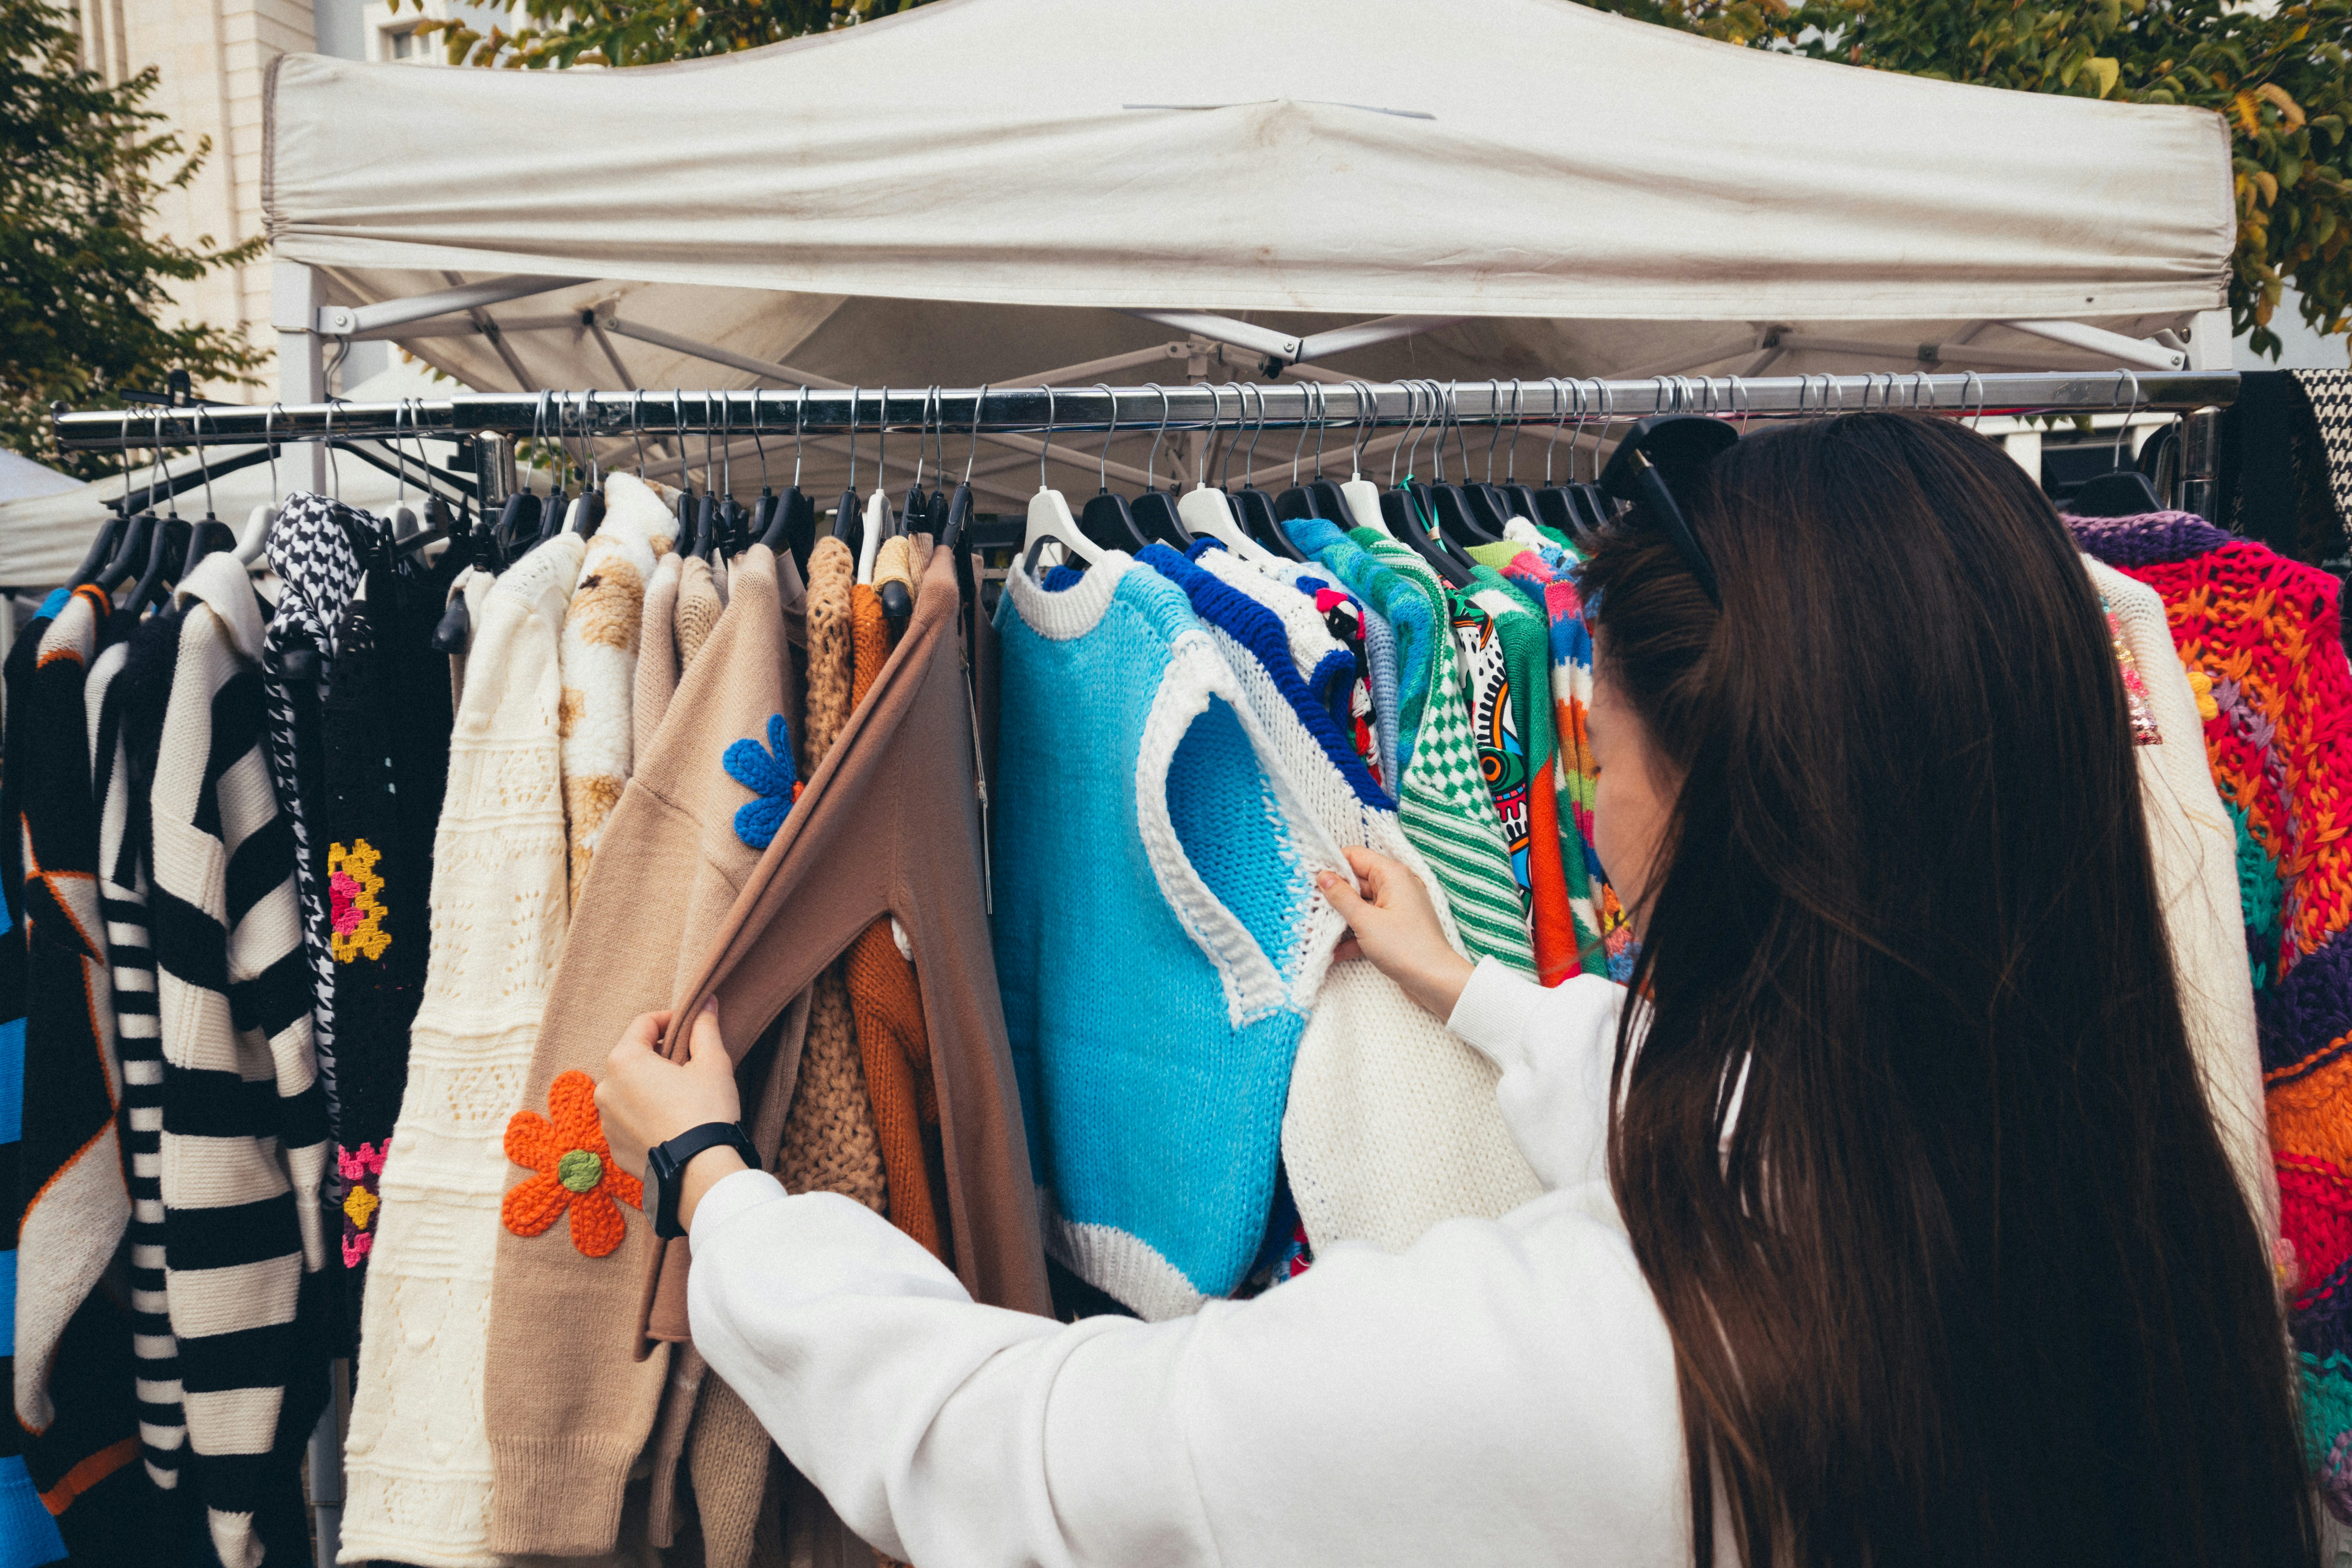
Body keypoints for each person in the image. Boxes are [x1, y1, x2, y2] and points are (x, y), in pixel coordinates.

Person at [597, 412, 2315, 1568]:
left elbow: (1027, 1456)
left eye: (1597, 733)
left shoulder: (1605, 1360)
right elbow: (1725, 1119)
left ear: (1713, 794)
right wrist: (1479, 991)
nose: (1587, 792)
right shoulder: (2152, 1235)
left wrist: (721, 1189)